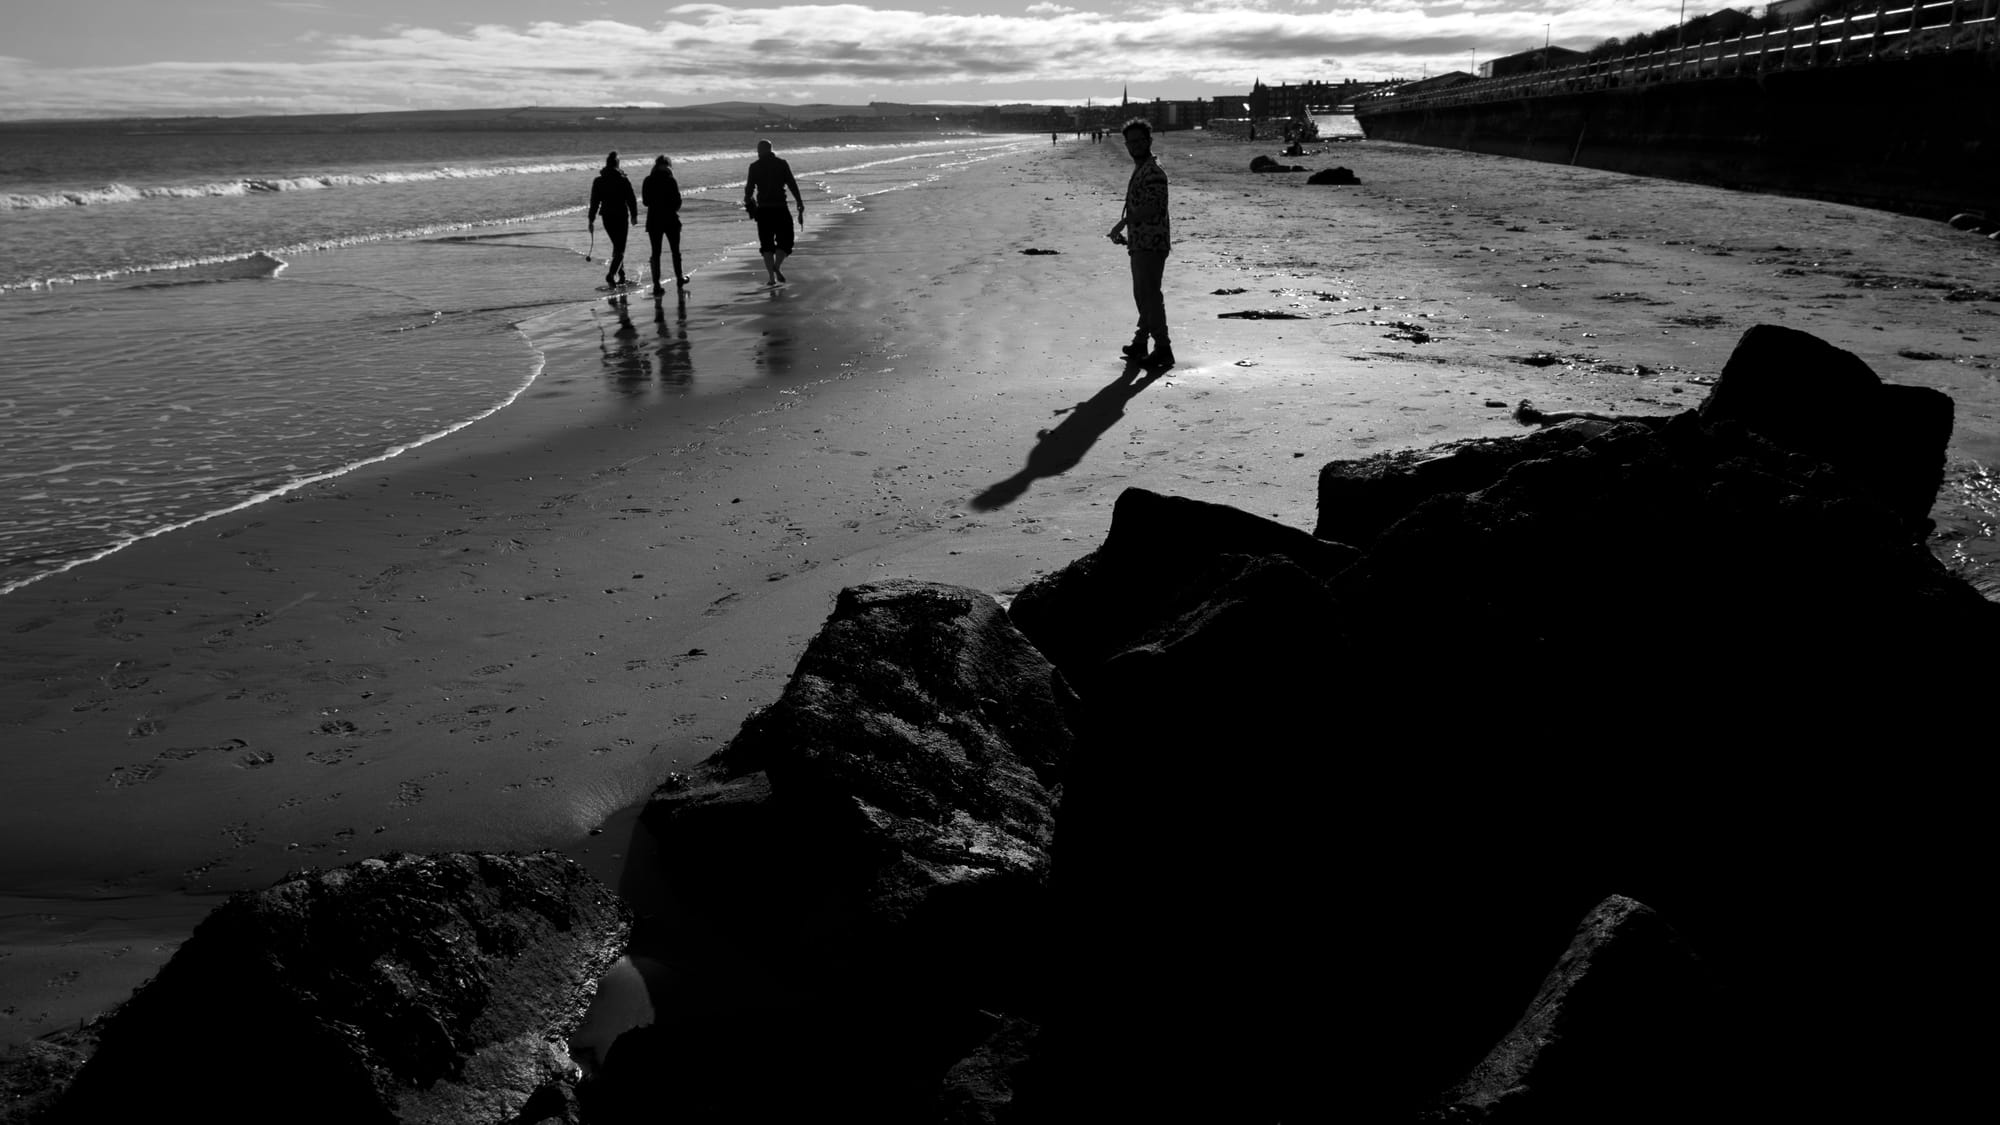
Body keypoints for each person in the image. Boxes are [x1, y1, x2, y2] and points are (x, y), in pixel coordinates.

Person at [1106, 117, 1173, 372]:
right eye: (1130, 142)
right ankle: (1140, 343)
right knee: (1144, 296)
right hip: (1142, 241)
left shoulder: (1153, 172)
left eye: (1138, 141)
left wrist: (1123, 223)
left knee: (1149, 297)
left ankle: (1163, 349)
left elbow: (1154, 206)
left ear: (1149, 142)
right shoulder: (1143, 167)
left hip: (1152, 243)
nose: (1133, 146)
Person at [742, 140, 804, 286]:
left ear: (760, 150)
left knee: (766, 244)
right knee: (786, 240)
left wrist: (749, 203)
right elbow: (792, 184)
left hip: (763, 210)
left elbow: (749, 190)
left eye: (758, 150)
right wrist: (799, 202)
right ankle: (777, 266)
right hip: (780, 208)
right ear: (770, 149)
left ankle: (771, 277)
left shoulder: (754, 167)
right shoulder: (782, 164)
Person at [588, 152, 639, 288]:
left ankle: (622, 276)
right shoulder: (623, 179)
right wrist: (634, 215)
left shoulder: (599, 181)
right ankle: (611, 275)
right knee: (620, 249)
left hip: (607, 217)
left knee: (617, 247)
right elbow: (631, 199)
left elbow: (594, 202)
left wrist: (591, 219)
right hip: (621, 216)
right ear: (617, 164)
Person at [642, 155, 687, 296]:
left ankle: (656, 285)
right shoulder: (670, 179)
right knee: (675, 250)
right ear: (668, 165)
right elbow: (678, 202)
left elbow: (645, 202)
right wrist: (671, 208)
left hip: (654, 220)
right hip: (670, 219)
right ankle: (679, 278)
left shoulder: (648, 180)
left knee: (656, 253)